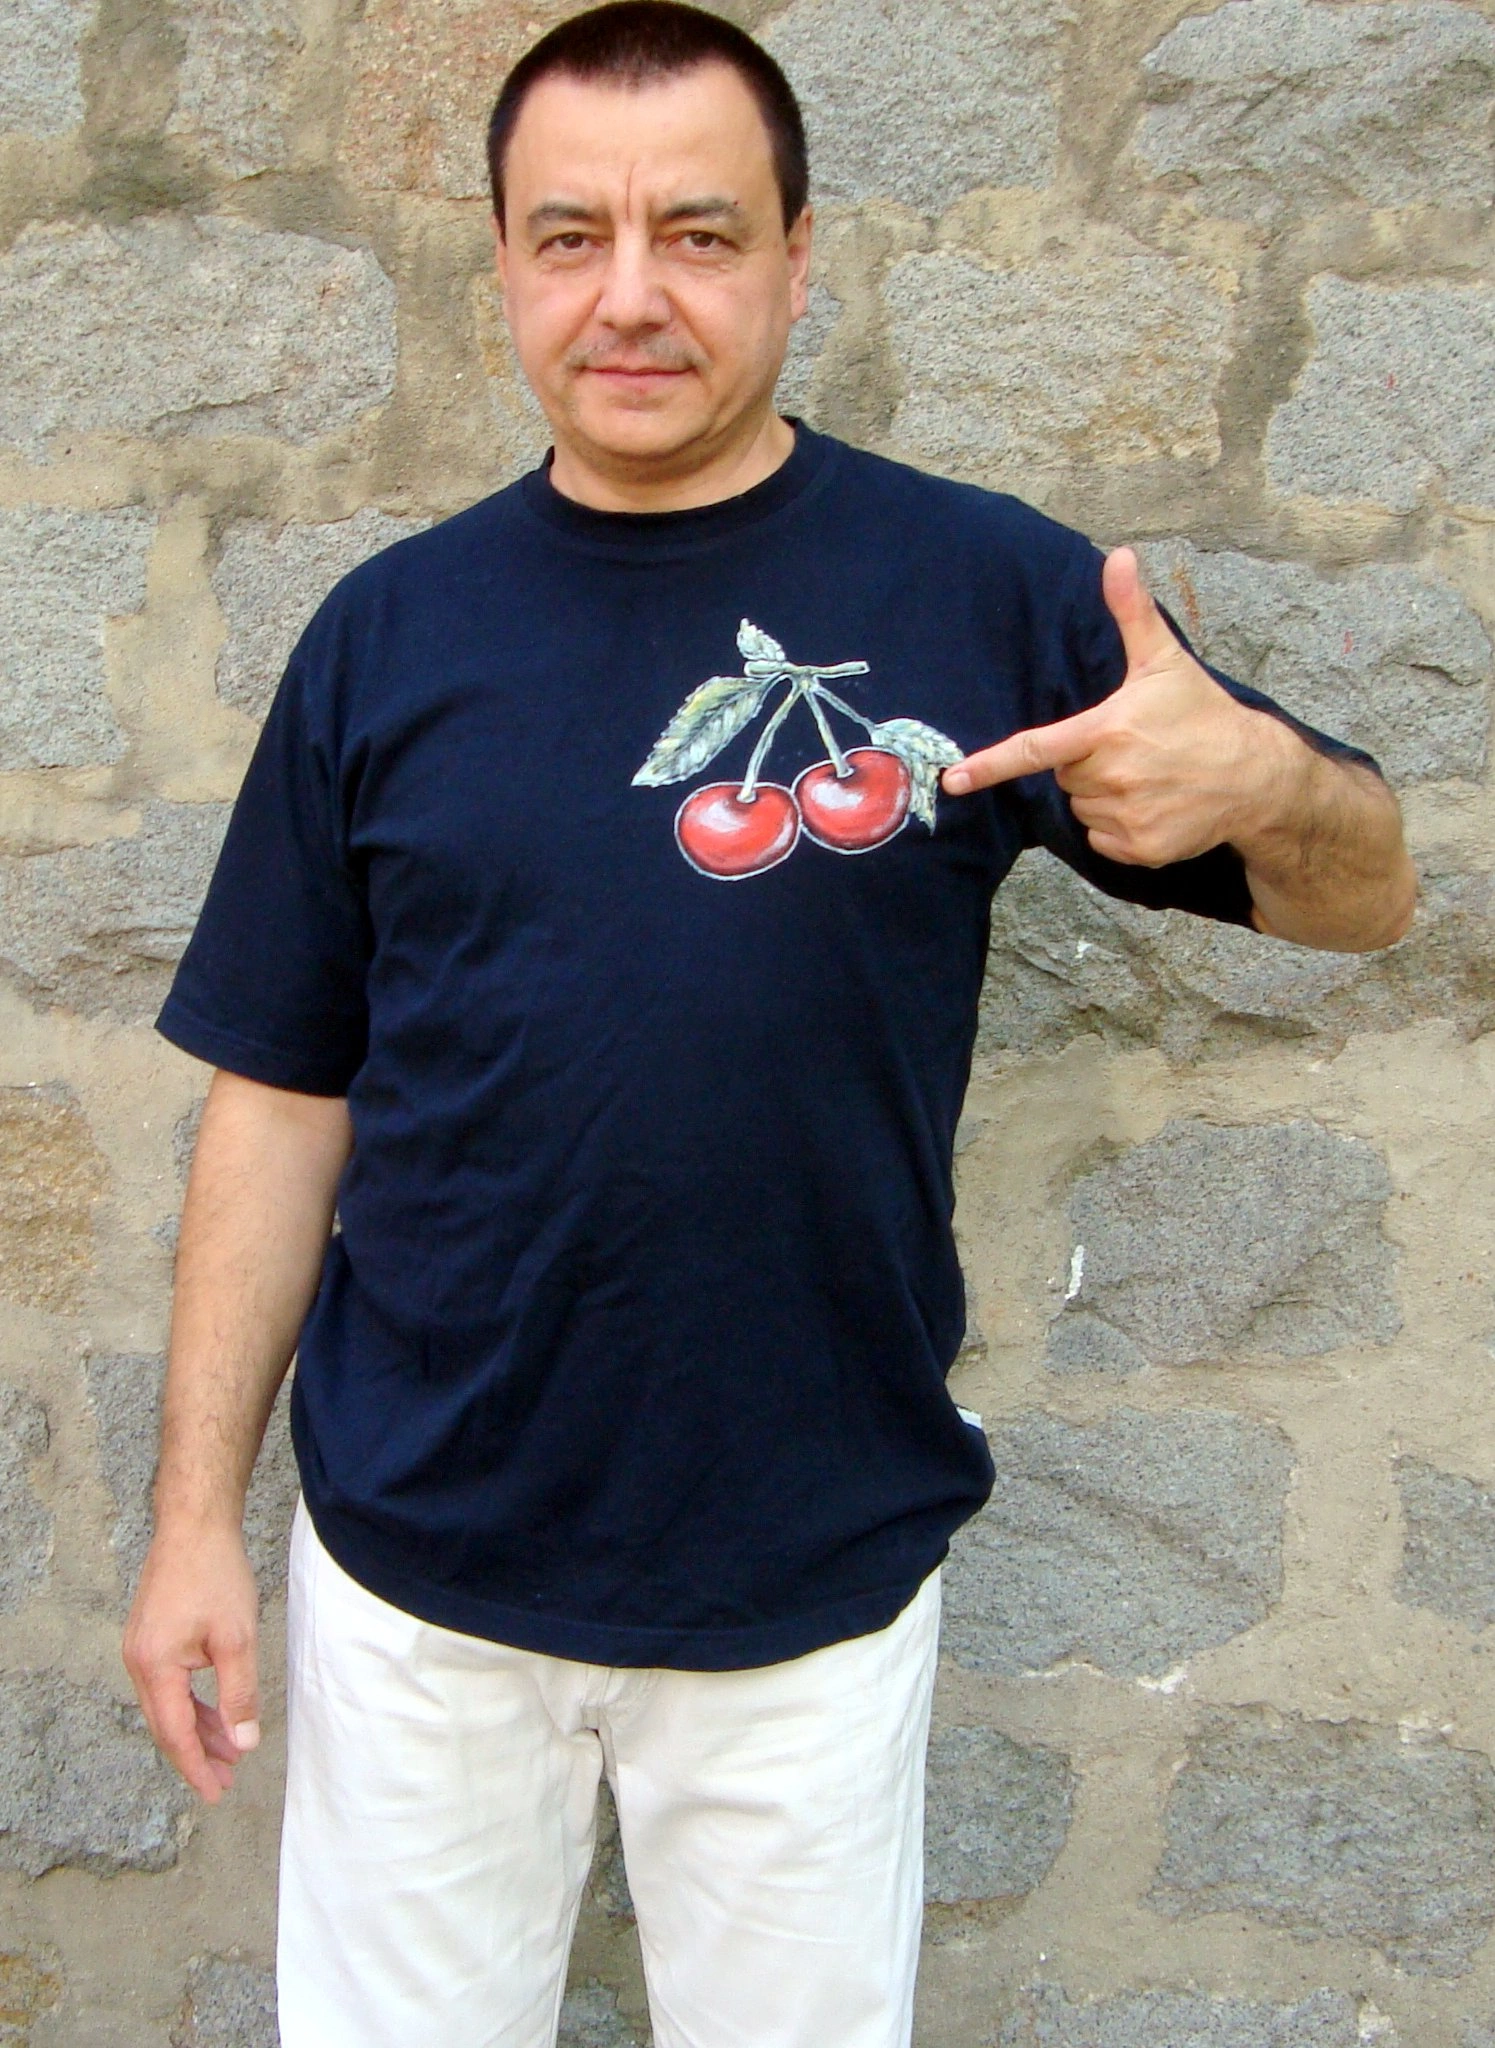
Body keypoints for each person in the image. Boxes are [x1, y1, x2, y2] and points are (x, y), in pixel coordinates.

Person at [123, 5, 1418, 2045]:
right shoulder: (388, 634)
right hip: (418, 1582)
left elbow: (1369, 901)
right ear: (506, 266)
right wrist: (195, 1516)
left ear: (800, 260)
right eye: (571, 236)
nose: (631, 295)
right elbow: (281, 1100)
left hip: (806, 1576)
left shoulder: (982, 591)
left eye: (701, 234)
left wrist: (1268, 780)